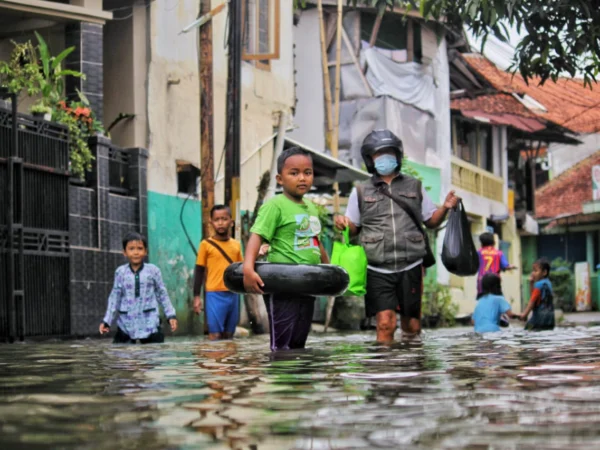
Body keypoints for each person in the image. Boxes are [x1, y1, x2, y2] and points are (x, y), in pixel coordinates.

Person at [334, 130, 459, 343]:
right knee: (385, 323)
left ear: (398, 155)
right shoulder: (361, 191)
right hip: (376, 267)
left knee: (412, 327)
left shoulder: (415, 186)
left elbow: (431, 221)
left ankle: (411, 370)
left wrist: (445, 208)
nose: (385, 157)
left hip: (411, 265)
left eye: (389, 152)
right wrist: (342, 222)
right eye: (379, 154)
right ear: (370, 159)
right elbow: (353, 227)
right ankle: (386, 370)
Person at [243, 147, 330, 351]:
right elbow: (256, 236)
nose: (302, 178)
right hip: (282, 284)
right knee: (282, 345)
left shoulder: (311, 207)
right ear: (280, 179)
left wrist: (329, 269)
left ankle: (298, 382)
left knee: (299, 342)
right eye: (294, 173)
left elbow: (315, 240)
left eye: (307, 173)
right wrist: (248, 268)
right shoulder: (275, 206)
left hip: (307, 284)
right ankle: (281, 380)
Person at [99, 232, 177, 343]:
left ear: (145, 251)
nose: (136, 252)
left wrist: (171, 315)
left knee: (153, 356)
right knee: (122, 356)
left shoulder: (153, 271)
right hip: (126, 323)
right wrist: (107, 321)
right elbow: (115, 297)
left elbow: (162, 294)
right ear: (124, 252)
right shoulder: (120, 272)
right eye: (131, 249)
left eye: (140, 248)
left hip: (150, 322)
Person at [193, 205, 243, 340]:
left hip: (233, 295)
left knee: (229, 336)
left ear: (231, 222)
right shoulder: (205, 244)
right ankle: (213, 360)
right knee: (215, 335)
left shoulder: (236, 245)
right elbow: (199, 270)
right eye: (216, 219)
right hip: (214, 294)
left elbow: (241, 270)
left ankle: (229, 361)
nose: (220, 223)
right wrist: (197, 296)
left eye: (224, 219)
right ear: (211, 222)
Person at [476, 232, 516, 298]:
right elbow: (505, 266)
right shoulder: (498, 253)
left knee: (483, 299)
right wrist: (511, 266)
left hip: (482, 281)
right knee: (498, 299)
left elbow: (474, 265)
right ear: (493, 242)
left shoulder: (479, 252)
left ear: (482, 243)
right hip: (495, 281)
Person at [521, 259, 555, 331]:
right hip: (550, 318)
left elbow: (532, 301)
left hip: (539, 317)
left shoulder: (539, 285)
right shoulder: (548, 283)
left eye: (535, 271)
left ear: (544, 272)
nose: (533, 273)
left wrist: (525, 314)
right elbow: (536, 296)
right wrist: (531, 283)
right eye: (533, 270)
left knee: (527, 330)